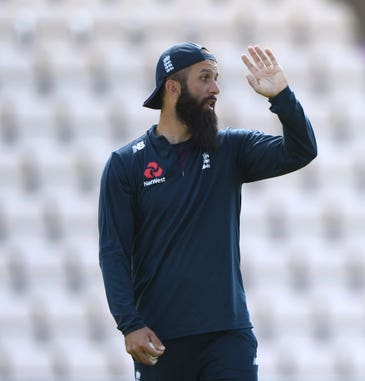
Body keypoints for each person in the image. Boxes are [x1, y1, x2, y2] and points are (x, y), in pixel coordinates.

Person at [98, 42, 317, 380]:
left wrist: (281, 96)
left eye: (216, 78)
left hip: (228, 335)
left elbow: (301, 150)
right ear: (172, 87)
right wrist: (130, 325)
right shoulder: (127, 164)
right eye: (205, 78)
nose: (216, 88)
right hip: (161, 338)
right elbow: (114, 252)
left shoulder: (230, 147)